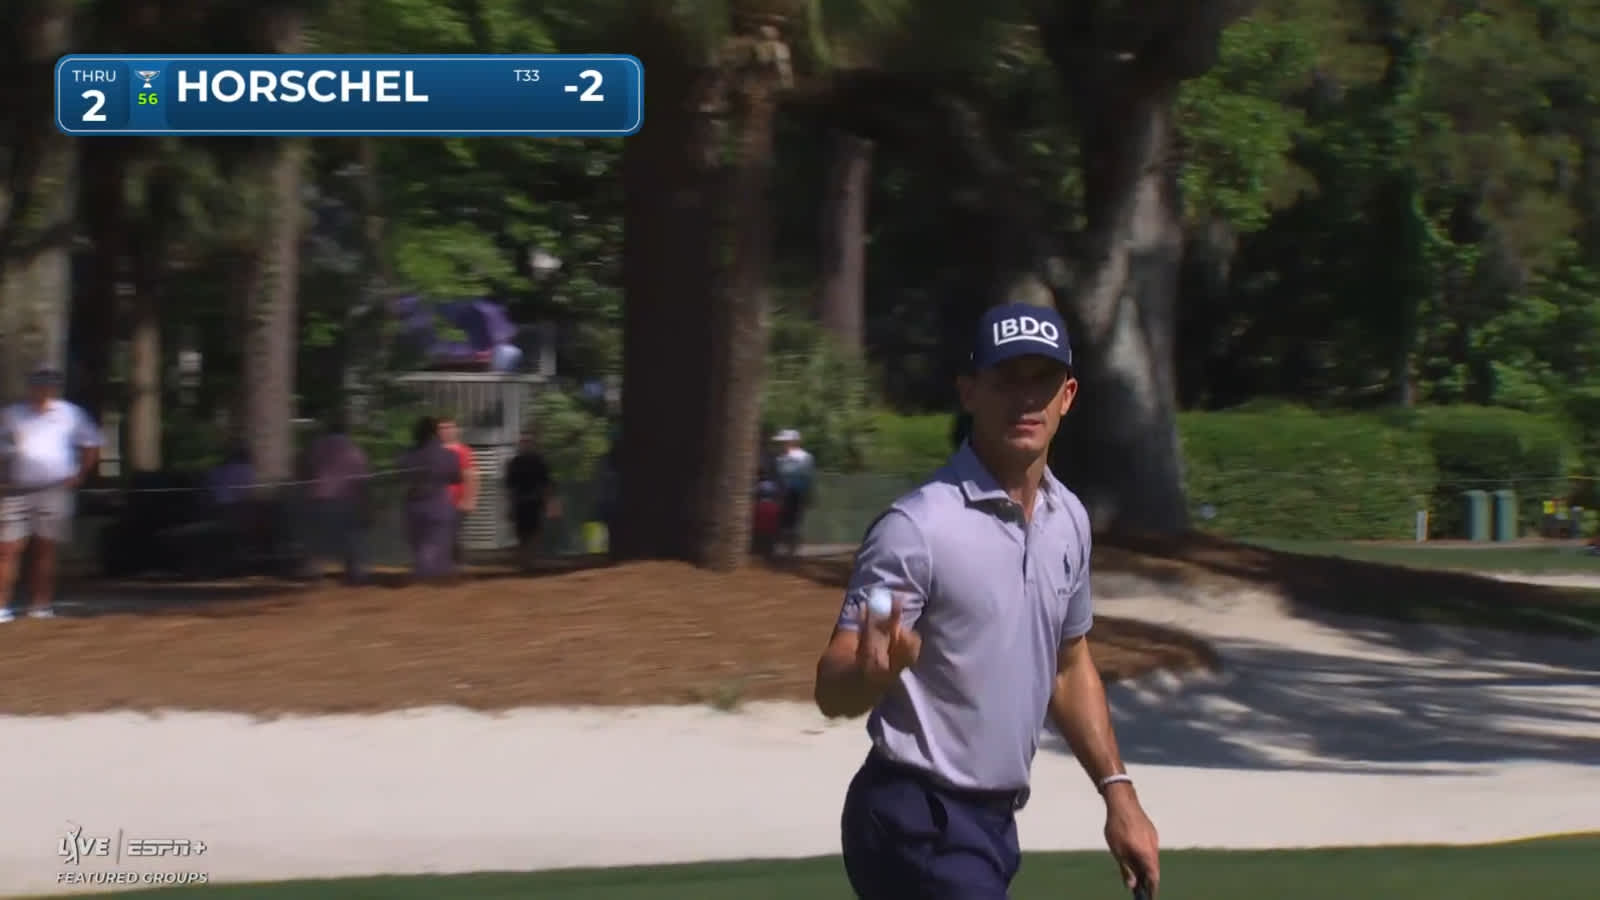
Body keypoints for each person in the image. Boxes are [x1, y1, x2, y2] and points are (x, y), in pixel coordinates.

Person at [813, 303, 1160, 899]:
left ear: (1067, 396)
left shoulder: (1069, 522)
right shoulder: (916, 528)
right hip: (912, 817)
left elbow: (1069, 666)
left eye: (1041, 381)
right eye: (1005, 380)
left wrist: (1118, 793)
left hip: (991, 827)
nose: (1025, 400)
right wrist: (871, 674)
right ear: (969, 391)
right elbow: (833, 683)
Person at [0, 368, 102, 621]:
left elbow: (91, 443)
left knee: (45, 549)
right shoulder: (11, 415)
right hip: (16, 490)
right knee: (7, 549)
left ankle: (40, 605)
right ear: (30, 387)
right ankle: (1, 606)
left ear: (55, 388)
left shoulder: (71, 414)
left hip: (54, 489)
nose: (43, 389)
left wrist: (79, 474)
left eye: (48, 385)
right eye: (38, 384)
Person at [301, 419, 371, 583]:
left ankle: (314, 572)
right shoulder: (354, 450)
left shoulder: (316, 447)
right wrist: (367, 504)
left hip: (318, 499)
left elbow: (305, 470)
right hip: (346, 500)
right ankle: (356, 573)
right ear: (346, 431)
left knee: (317, 539)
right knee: (353, 539)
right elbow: (362, 482)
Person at [401, 416, 462, 579]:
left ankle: (426, 575)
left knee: (420, 546)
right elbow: (456, 478)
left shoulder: (407, 454)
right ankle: (432, 577)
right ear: (436, 433)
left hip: (414, 506)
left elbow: (401, 475)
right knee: (438, 547)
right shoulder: (449, 455)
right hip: (439, 505)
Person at [503, 432, 553, 571]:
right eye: (523, 442)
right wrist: (510, 505)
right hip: (520, 502)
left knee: (534, 532)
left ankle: (530, 560)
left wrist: (548, 502)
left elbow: (546, 483)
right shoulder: (515, 462)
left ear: (532, 444)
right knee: (522, 534)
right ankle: (525, 561)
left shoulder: (540, 461)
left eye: (528, 442)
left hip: (535, 502)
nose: (525, 445)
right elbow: (510, 486)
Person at [438, 416, 477, 564]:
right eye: (442, 428)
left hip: (456, 502)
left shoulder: (463, 451)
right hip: (437, 502)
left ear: (456, 430)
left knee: (452, 534)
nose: (446, 431)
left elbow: (471, 476)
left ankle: (457, 565)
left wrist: (469, 500)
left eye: (449, 427)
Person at [772, 428, 816, 556]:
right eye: (781, 442)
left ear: (793, 442)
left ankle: (792, 549)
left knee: (793, 521)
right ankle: (784, 547)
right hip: (782, 493)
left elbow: (808, 477)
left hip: (797, 493)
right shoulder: (780, 459)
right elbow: (778, 477)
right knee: (783, 521)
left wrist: (808, 494)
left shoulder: (805, 457)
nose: (782, 444)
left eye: (785, 442)